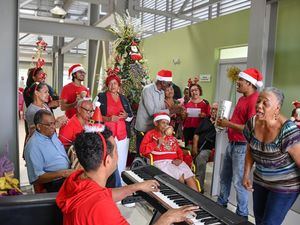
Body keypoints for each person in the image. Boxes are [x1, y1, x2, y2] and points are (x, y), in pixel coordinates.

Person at [56, 129, 199, 225]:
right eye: (116, 151)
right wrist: (168, 218)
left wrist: (136, 187)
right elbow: (99, 202)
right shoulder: (100, 207)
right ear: (107, 161)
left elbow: (103, 195)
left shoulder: (76, 178)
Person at [243, 87, 300, 225]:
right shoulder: (252, 123)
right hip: (261, 180)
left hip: (285, 186)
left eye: (265, 103)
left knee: (269, 223)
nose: (259, 106)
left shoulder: (288, 131)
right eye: (258, 101)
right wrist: (246, 174)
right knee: (260, 221)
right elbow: (250, 149)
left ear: (277, 108)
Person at [216, 68, 264, 218]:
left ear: (249, 83)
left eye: (240, 81)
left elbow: (251, 128)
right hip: (232, 144)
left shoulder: (254, 100)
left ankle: (242, 215)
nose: (237, 83)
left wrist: (228, 124)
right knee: (224, 177)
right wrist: (224, 123)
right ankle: (220, 205)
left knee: (239, 182)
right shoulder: (243, 98)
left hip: (242, 147)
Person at [140, 113, 198, 191]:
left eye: (167, 123)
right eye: (163, 123)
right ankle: (181, 200)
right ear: (156, 123)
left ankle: (196, 201)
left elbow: (178, 150)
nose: (165, 125)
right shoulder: (150, 134)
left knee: (190, 177)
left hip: (175, 161)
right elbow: (142, 150)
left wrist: (180, 159)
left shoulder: (171, 137)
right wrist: (156, 143)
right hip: (161, 161)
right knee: (180, 177)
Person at [24, 110, 73, 192]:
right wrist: (63, 173)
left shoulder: (51, 134)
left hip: (67, 174)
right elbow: (36, 178)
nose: (53, 127)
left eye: (54, 123)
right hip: (55, 182)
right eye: (49, 124)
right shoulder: (33, 146)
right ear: (39, 126)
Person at [97, 74, 133, 184]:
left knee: (121, 160)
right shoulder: (101, 97)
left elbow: (131, 116)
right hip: (107, 134)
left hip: (123, 135)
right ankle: (106, 183)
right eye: (110, 83)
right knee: (108, 159)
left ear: (119, 86)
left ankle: (120, 184)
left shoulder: (123, 98)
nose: (113, 86)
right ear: (107, 85)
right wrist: (108, 118)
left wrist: (126, 116)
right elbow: (93, 115)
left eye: (115, 83)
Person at [135, 69, 175, 153]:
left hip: (155, 128)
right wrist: (170, 111)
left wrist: (170, 112)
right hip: (144, 128)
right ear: (162, 82)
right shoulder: (147, 90)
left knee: (153, 153)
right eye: (169, 84)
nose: (169, 87)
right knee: (142, 152)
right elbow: (152, 112)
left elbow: (161, 109)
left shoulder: (162, 92)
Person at [192, 102, 218, 192]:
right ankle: (191, 182)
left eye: (216, 109)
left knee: (201, 157)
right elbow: (196, 134)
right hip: (199, 147)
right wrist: (194, 147)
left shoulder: (221, 123)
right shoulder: (205, 120)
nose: (213, 111)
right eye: (212, 109)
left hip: (210, 149)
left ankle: (199, 187)